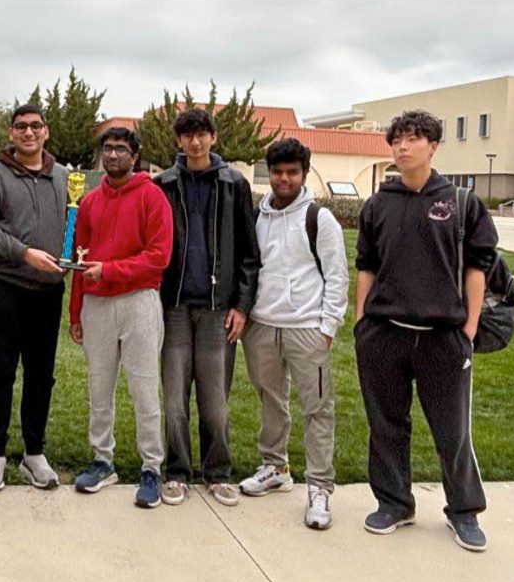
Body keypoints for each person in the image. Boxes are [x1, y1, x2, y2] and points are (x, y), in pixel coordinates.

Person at [354, 110, 496, 552]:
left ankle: (463, 511)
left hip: (443, 338)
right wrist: (362, 322)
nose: (402, 147)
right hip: (385, 334)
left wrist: (468, 326)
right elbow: (366, 266)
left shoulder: (460, 201)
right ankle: (395, 502)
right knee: (387, 425)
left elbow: (478, 265)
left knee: (452, 430)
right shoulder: (379, 203)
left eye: (412, 139)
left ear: (433, 146)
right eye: (396, 140)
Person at [239, 138, 348, 529]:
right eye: (278, 172)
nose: (284, 179)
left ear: (304, 173)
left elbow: (337, 275)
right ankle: (275, 467)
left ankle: (319, 486)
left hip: (307, 329)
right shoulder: (256, 216)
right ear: (270, 173)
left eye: (293, 173)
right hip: (262, 326)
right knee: (271, 399)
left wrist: (328, 328)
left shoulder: (320, 219)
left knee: (317, 408)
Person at [154, 107, 260, 507]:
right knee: (175, 398)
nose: (195, 142)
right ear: (179, 141)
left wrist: (242, 306)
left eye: (202, 134)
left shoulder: (234, 184)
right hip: (176, 307)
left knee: (215, 400)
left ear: (213, 138)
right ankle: (177, 472)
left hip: (219, 311)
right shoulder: (163, 184)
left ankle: (217, 473)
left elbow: (250, 253)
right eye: (187, 135)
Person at [69, 127, 173, 507]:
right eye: (107, 149)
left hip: (139, 302)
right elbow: (80, 260)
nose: (113, 155)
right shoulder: (90, 202)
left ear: (135, 155)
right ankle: (102, 460)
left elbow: (158, 257)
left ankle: (151, 467)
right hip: (96, 303)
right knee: (99, 388)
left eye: (121, 149)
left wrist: (110, 270)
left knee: (145, 389)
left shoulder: (152, 196)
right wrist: (75, 310)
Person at [0, 103, 69, 492]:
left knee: (42, 374)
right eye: (21, 127)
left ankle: (33, 452)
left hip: (49, 290)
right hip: (6, 285)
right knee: (1, 371)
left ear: (46, 132)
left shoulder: (62, 176)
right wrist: (24, 252)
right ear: (11, 133)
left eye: (36, 126)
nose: (29, 133)